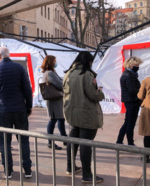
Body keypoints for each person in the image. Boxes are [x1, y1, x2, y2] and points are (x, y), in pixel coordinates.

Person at [0, 46, 32, 179]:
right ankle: (27, 170)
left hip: (3, 111)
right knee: (23, 141)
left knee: (5, 142)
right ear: (8, 55)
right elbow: (27, 90)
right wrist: (28, 107)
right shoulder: (20, 68)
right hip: (20, 110)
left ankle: (8, 170)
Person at [63, 51, 104, 184]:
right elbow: (93, 95)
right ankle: (87, 174)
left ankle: (70, 167)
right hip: (86, 114)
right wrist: (100, 92)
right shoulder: (86, 74)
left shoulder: (69, 73)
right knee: (86, 143)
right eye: (91, 61)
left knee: (73, 139)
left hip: (72, 113)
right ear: (88, 61)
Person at [41, 55, 67, 150]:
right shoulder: (50, 73)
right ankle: (50, 141)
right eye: (54, 61)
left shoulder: (51, 72)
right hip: (53, 100)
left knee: (60, 118)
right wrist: (66, 81)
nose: (56, 63)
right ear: (51, 62)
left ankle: (64, 138)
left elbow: (60, 80)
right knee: (53, 120)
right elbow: (60, 84)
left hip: (56, 100)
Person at [116, 56, 143, 146]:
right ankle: (130, 143)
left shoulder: (128, 74)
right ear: (131, 65)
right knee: (130, 123)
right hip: (131, 101)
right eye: (137, 65)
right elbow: (132, 90)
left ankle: (119, 141)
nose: (138, 66)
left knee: (128, 122)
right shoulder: (128, 75)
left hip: (130, 101)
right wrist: (142, 90)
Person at [137, 62, 150, 163]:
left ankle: (146, 156)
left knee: (148, 133)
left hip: (149, 109)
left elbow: (140, 96)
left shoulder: (146, 81)